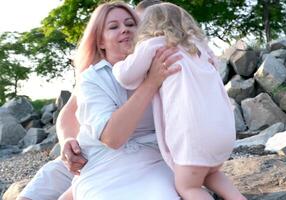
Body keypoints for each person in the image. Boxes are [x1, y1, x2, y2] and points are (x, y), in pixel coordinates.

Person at [17, 1, 181, 200]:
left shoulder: (162, 64)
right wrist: (68, 140)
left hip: (142, 158)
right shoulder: (95, 77)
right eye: (114, 26)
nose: (126, 30)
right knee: (33, 193)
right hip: (88, 155)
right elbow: (69, 113)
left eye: (131, 24)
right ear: (100, 41)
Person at [113, 3, 246, 200]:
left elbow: (126, 76)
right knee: (211, 173)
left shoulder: (154, 44)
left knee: (187, 186)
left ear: (147, 25)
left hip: (194, 135)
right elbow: (214, 64)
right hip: (223, 131)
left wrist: (117, 65)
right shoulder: (198, 46)